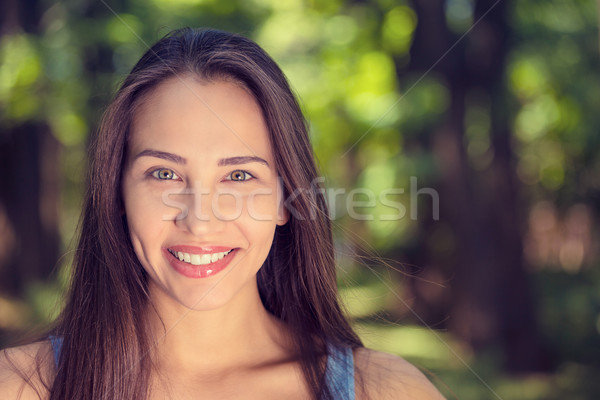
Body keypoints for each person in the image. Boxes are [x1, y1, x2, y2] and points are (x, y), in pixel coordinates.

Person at [0, 28, 444, 399]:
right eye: (163, 173)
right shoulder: (20, 386)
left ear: (286, 198)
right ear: (117, 193)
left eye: (238, 177)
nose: (200, 220)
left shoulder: (384, 390)